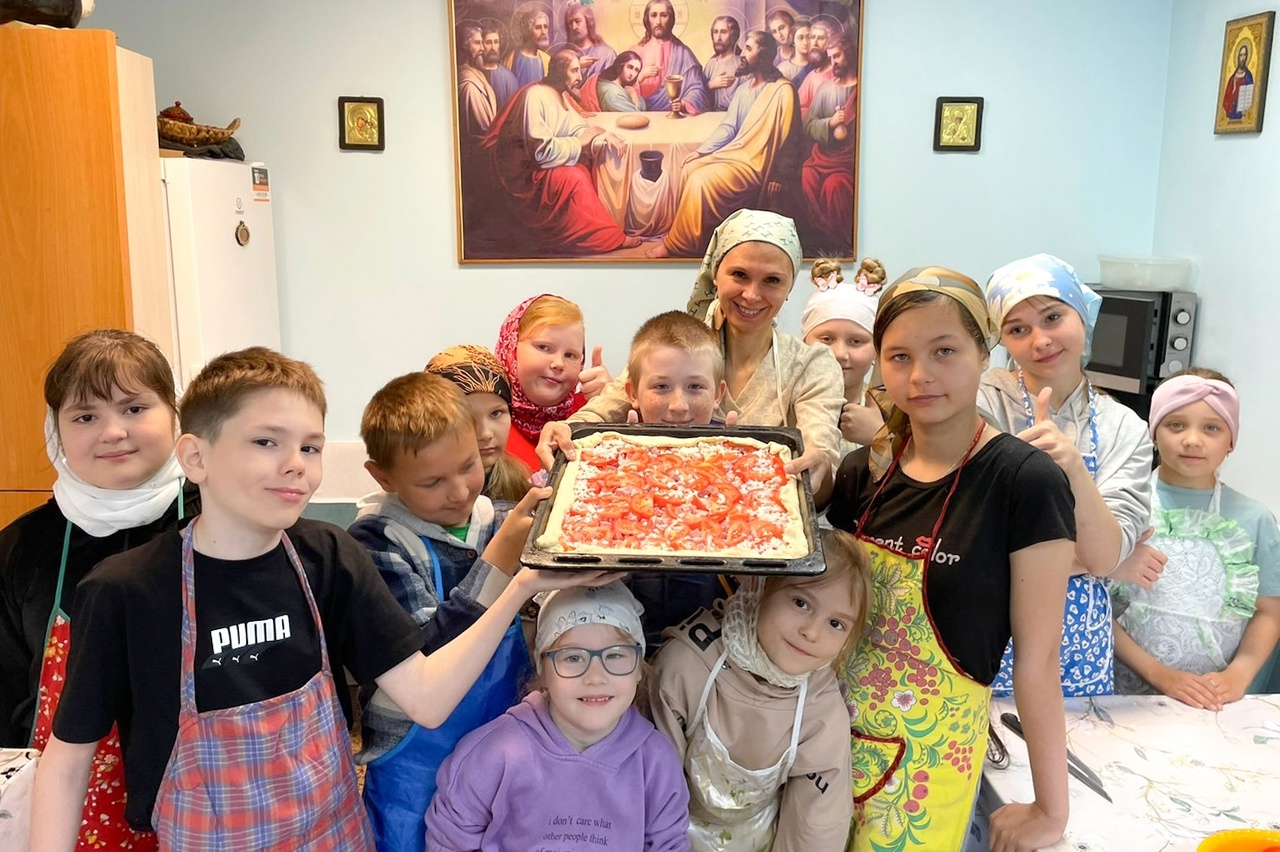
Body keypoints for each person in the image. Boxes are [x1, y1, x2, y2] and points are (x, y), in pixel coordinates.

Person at [29, 347, 609, 850]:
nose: (295, 466)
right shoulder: (125, 590)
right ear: (196, 457)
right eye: (266, 442)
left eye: (310, 447)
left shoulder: (328, 556)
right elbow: (67, 762)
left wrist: (523, 584)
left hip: (332, 830)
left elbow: (427, 699)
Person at [827, 268, 1075, 851]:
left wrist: (1050, 808)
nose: (921, 375)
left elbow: (1039, 661)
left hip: (931, 759)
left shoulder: (1024, 481)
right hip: (825, 739)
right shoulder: (863, 472)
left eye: (944, 351)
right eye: (900, 356)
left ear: (984, 353)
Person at [0, 329, 199, 850]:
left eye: (134, 408)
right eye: (85, 417)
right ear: (56, 430)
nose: (113, 432)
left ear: (175, 415)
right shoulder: (22, 547)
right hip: (64, 811)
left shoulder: (222, 522)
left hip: (206, 797)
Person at [349, 372, 549, 851]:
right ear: (384, 477)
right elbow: (425, 653)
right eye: (433, 482)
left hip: (503, 732)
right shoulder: (376, 542)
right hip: (415, 755)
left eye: (468, 466)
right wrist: (499, 561)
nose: (459, 491)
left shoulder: (498, 519)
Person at [556, 210, 845, 507]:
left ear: (789, 287)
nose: (751, 295)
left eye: (772, 280)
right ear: (715, 274)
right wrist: (564, 431)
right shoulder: (675, 344)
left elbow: (819, 453)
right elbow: (601, 412)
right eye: (739, 275)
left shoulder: (811, 365)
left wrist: (817, 464)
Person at [981, 253, 1155, 698]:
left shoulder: (1124, 428)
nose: (1040, 340)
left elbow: (1103, 555)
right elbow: (975, 541)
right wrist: (1103, 560)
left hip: (1082, 647)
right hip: (987, 632)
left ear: (1083, 315)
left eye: (1052, 317)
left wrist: (1073, 467)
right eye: (1017, 329)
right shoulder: (983, 405)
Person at [427, 582, 691, 852]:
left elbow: (668, 845)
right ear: (542, 668)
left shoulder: (656, 761)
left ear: (638, 668)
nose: (595, 677)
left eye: (615, 655)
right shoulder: (492, 753)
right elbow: (449, 841)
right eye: (573, 657)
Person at [649, 528, 869, 851]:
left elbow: (816, 825)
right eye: (801, 603)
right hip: (673, 834)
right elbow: (650, 788)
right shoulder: (687, 665)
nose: (811, 632)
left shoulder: (821, 709)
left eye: (836, 624)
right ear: (760, 587)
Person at [538, 310, 733, 648]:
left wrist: (730, 479)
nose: (678, 405)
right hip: (620, 628)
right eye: (661, 386)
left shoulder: (736, 458)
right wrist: (623, 476)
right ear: (632, 392)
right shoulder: (603, 455)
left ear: (718, 394)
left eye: (695, 387)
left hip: (705, 632)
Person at [1112, 369, 1280, 709]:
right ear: (1153, 433)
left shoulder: (1255, 519)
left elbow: (1269, 611)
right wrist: (1160, 675)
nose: (1192, 440)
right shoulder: (1120, 508)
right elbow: (1090, 603)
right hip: (1119, 696)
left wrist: (1238, 675)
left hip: (1211, 703)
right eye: (1176, 425)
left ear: (1231, 441)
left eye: (1212, 428)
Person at [646, 32, 802, 259]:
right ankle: (695, 238)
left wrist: (780, 174)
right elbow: (729, 128)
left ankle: (678, 245)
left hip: (755, 164)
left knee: (700, 180)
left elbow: (792, 139)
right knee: (690, 168)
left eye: (749, 49)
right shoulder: (744, 89)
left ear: (764, 55)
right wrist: (701, 151)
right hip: (738, 154)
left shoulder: (783, 90)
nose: (743, 54)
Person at [480, 50, 642, 258]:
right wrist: (578, 143)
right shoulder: (536, 96)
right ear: (560, 72)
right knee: (574, 177)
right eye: (574, 71)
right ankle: (606, 237)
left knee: (584, 169)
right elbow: (540, 152)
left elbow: (578, 127)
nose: (579, 77)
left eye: (579, 70)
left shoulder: (559, 95)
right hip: (525, 176)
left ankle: (585, 231)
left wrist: (603, 135)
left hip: (542, 166)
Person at [495, 293, 616, 473]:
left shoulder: (589, 411)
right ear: (510, 348)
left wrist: (611, 406)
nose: (558, 363)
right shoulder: (485, 419)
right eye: (544, 347)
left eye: (570, 355)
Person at [800, 257, 885, 457]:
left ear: (876, 348)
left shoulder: (896, 414)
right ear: (804, 342)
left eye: (856, 341)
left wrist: (881, 438)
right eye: (827, 339)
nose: (839, 354)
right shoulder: (783, 402)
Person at [426, 344, 531, 502]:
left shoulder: (520, 484)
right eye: (468, 418)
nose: (486, 434)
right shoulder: (422, 499)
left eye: (496, 413)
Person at [800, 30, 857, 255]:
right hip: (822, 157)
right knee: (807, 175)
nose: (833, 62)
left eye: (837, 56)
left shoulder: (861, 90)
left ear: (849, 54)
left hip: (846, 161)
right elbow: (808, 124)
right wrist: (830, 123)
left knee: (835, 185)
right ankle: (819, 238)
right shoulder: (825, 89)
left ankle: (840, 243)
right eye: (831, 57)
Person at [626, 0, 709, 114]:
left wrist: (683, 104)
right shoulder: (634, 52)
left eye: (663, 15)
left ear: (671, 19)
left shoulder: (683, 53)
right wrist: (640, 77)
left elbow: (698, 89)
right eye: (653, 15)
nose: (658, 22)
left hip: (675, 119)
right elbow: (620, 89)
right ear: (647, 19)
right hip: (641, 116)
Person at [456, 21, 497, 139]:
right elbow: (481, 130)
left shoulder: (477, 73)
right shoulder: (469, 86)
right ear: (465, 46)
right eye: (477, 43)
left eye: (482, 43)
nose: (482, 48)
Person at [563, 1, 614, 79]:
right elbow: (555, 83)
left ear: (589, 22)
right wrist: (577, 66)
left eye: (577, 21)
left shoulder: (606, 54)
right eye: (570, 23)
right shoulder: (563, 54)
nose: (574, 27)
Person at [796, 19, 836, 119]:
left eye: (820, 38)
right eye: (812, 37)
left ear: (830, 42)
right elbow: (799, 106)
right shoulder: (811, 76)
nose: (815, 43)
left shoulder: (837, 72)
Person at [504, 7, 551, 88]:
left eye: (545, 27)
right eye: (538, 28)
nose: (543, 32)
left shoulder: (546, 59)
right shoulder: (512, 59)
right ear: (527, 31)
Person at [703, 15, 743, 111]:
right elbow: (698, 93)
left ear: (733, 36)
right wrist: (711, 84)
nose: (718, 37)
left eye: (723, 32)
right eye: (715, 32)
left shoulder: (742, 63)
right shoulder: (711, 64)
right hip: (711, 115)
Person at [479, 21, 520, 108]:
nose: (493, 47)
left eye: (496, 42)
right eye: (488, 42)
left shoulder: (509, 78)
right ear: (481, 45)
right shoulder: (474, 74)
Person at [1223, 41, 1255, 121]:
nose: (1243, 58)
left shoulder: (1248, 76)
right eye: (1241, 55)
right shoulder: (1232, 78)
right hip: (1231, 115)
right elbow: (1225, 100)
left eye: (1244, 55)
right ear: (1237, 57)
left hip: (1241, 115)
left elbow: (1251, 98)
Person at [767, 8, 799, 76]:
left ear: (791, 26)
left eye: (781, 28)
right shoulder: (773, 57)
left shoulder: (801, 52)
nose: (779, 35)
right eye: (774, 32)